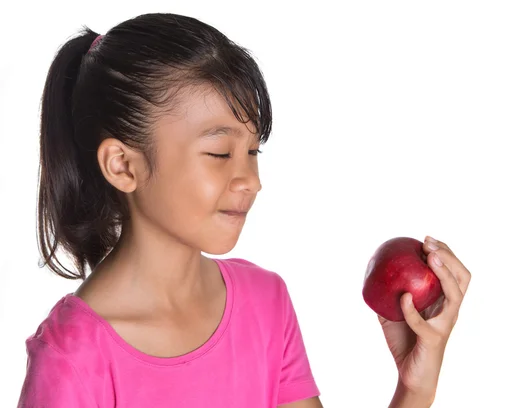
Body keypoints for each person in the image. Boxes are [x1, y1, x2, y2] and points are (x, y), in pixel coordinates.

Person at [17, 12, 471, 408]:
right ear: (122, 165)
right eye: (219, 154)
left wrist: (415, 390)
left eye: (253, 152)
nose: (251, 181)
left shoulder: (266, 303)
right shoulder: (73, 357)